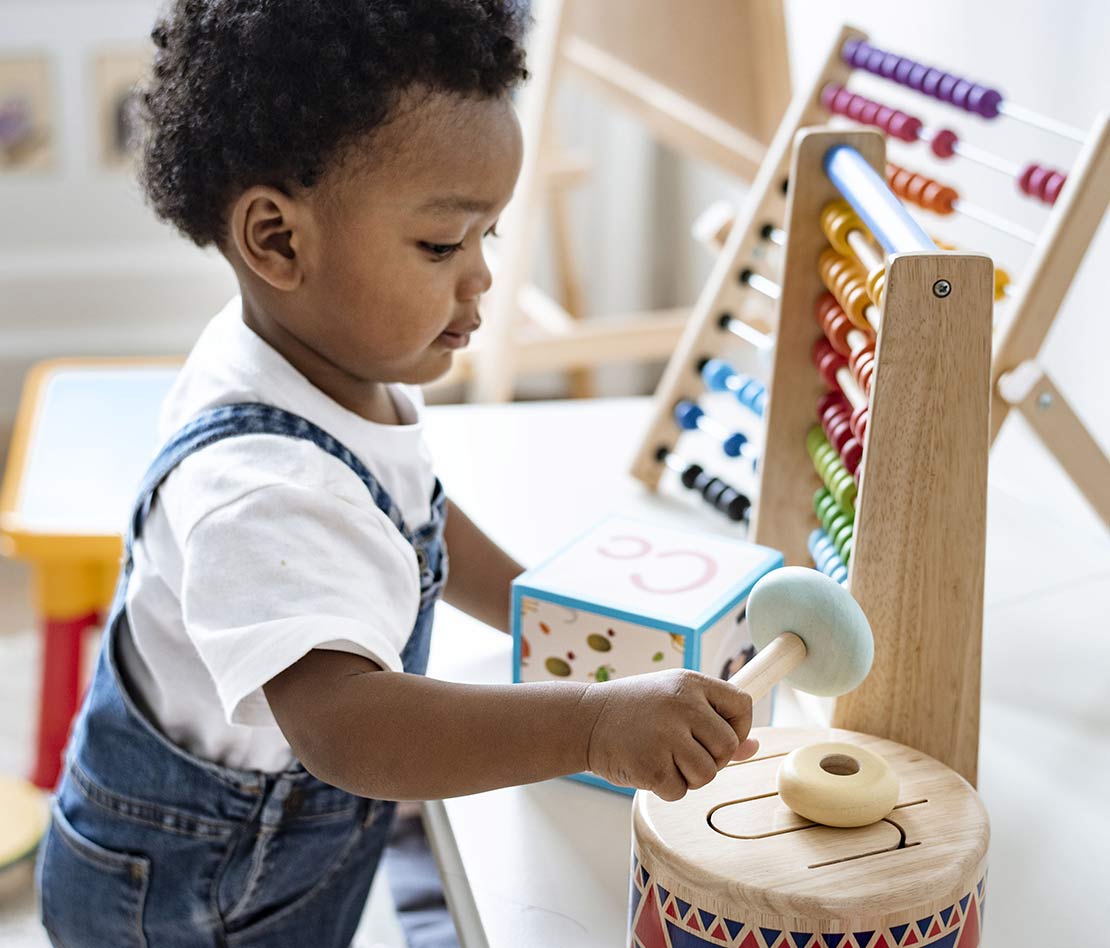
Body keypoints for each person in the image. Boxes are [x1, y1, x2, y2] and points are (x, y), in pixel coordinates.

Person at [36, 2, 759, 945]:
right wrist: (586, 725)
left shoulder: (329, 364)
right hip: (184, 896)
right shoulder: (258, 488)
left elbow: (416, 516)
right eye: (442, 245)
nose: (482, 281)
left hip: (270, 857)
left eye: (488, 238)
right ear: (279, 241)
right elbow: (346, 726)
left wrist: (547, 609)